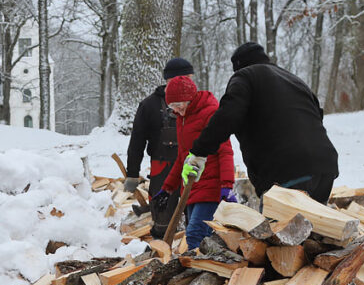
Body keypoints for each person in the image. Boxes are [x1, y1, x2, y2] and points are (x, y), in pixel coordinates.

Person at [189, 42, 338, 203]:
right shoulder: (294, 80)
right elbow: (317, 115)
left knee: (278, 219)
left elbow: (228, 115)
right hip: (325, 166)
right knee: (312, 219)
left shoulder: (245, 77)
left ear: (238, 66)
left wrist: (200, 151)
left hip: (285, 170)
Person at [151, 75, 235, 249]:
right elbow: (183, 158)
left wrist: (226, 184)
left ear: (189, 99)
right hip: (191, 188)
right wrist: (168, 188)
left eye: (179, 105)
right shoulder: (182, 118)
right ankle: (204, 263)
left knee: (195, 234)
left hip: (211, 187)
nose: (177, 110)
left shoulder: (210, 112)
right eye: (172, 106)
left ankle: (198, 264)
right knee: (198, 237)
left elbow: (225, 150)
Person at [123, 58, 196, 225]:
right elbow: (137, 142)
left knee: (195, 219)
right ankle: (161, 239)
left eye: (191, 78)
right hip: (162, 168)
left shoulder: (197, 103)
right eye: (186, 78)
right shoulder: (149, 105)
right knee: (162, 217)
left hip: (192, 168)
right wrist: (132, 173)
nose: (190, 82)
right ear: (171, 79)